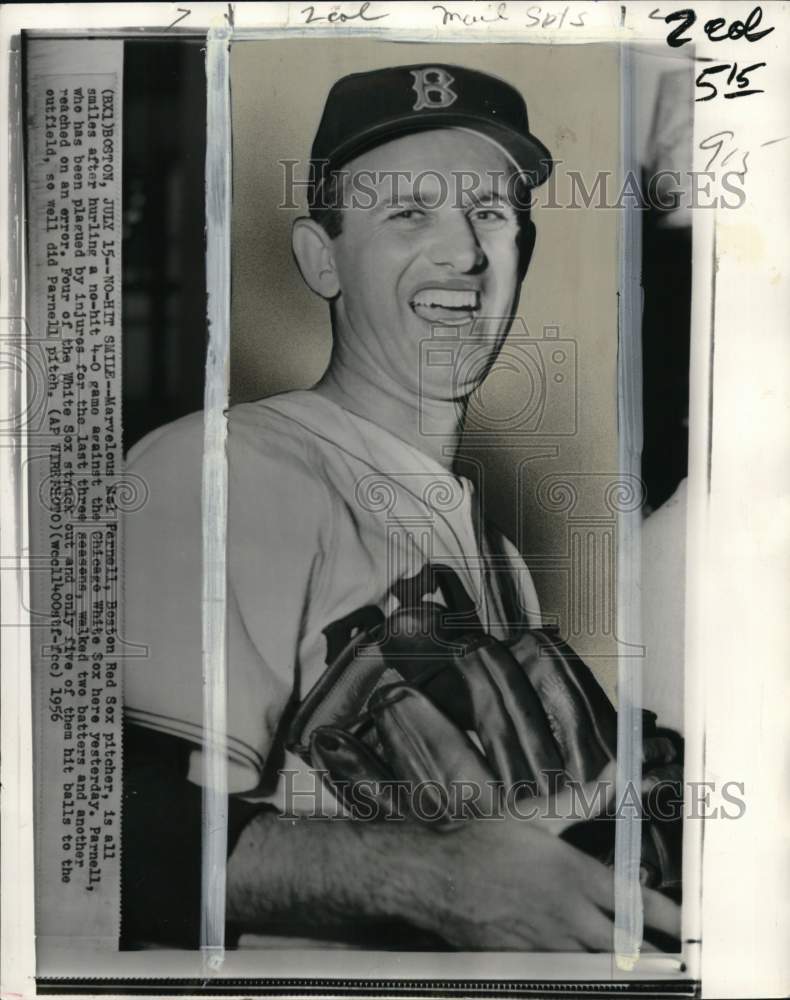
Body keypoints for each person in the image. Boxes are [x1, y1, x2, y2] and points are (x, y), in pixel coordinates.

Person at [121, 64, 681, 951]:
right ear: (320, 257)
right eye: (408, 212)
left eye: (491, 213)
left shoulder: (492, 549)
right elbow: (109, 843)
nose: (462, 252)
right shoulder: (229, 470)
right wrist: (432, 875)